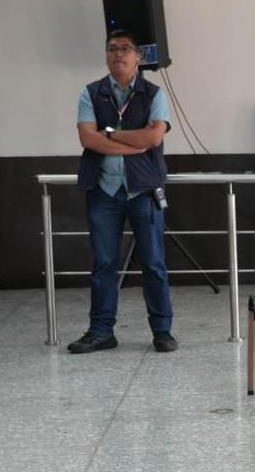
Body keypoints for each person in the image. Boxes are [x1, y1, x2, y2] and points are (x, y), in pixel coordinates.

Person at [68, 29, 177, 354]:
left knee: (154, 263)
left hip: (142, 191)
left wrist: (112, 134)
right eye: (112, 49)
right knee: (103, 263)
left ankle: (162, 331)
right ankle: (101, 331)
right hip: (103, 192)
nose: (119, 54)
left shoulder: (153, 93)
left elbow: (154, 139)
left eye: (126, 49)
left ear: (138, 57)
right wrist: (133, 143)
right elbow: (88, 139)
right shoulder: (91, 93)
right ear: (106, 55)